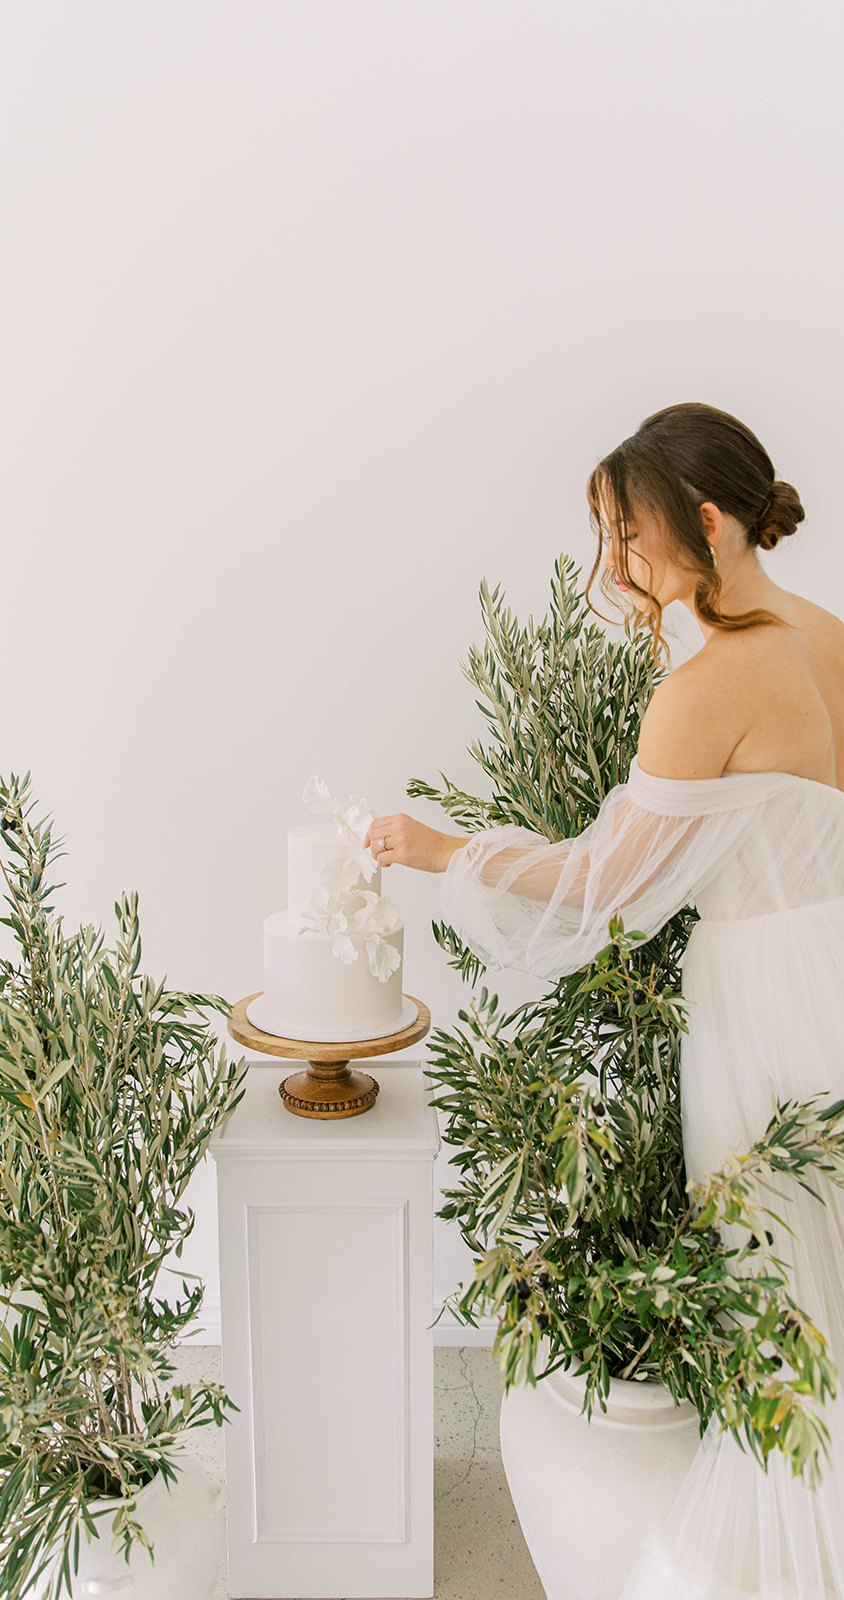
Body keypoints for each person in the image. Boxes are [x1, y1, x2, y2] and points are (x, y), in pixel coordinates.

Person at [363, 401, 844, 1598]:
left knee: (775, 1302)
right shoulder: (820, 632)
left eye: (627, 536)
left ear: (709, 521)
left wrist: (437, 850)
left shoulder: (709, 684)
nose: (615, 565)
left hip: (763, 1007)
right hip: (828, 962)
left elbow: (598, 888)